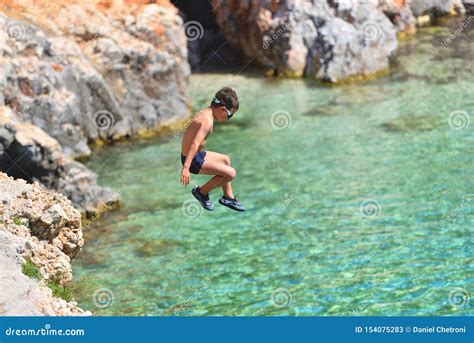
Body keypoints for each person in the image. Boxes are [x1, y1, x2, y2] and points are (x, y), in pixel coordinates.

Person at [180, 87, 245, 212]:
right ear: (222, 110)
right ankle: (201, 192)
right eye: (230, 115)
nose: (229, 119)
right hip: (192, 160)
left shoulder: (206, 112)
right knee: (231, 173)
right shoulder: (207, 121)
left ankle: (228, 197)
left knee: (225, 159)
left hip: (195, 155)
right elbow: (194, 144)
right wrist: (186, 168)